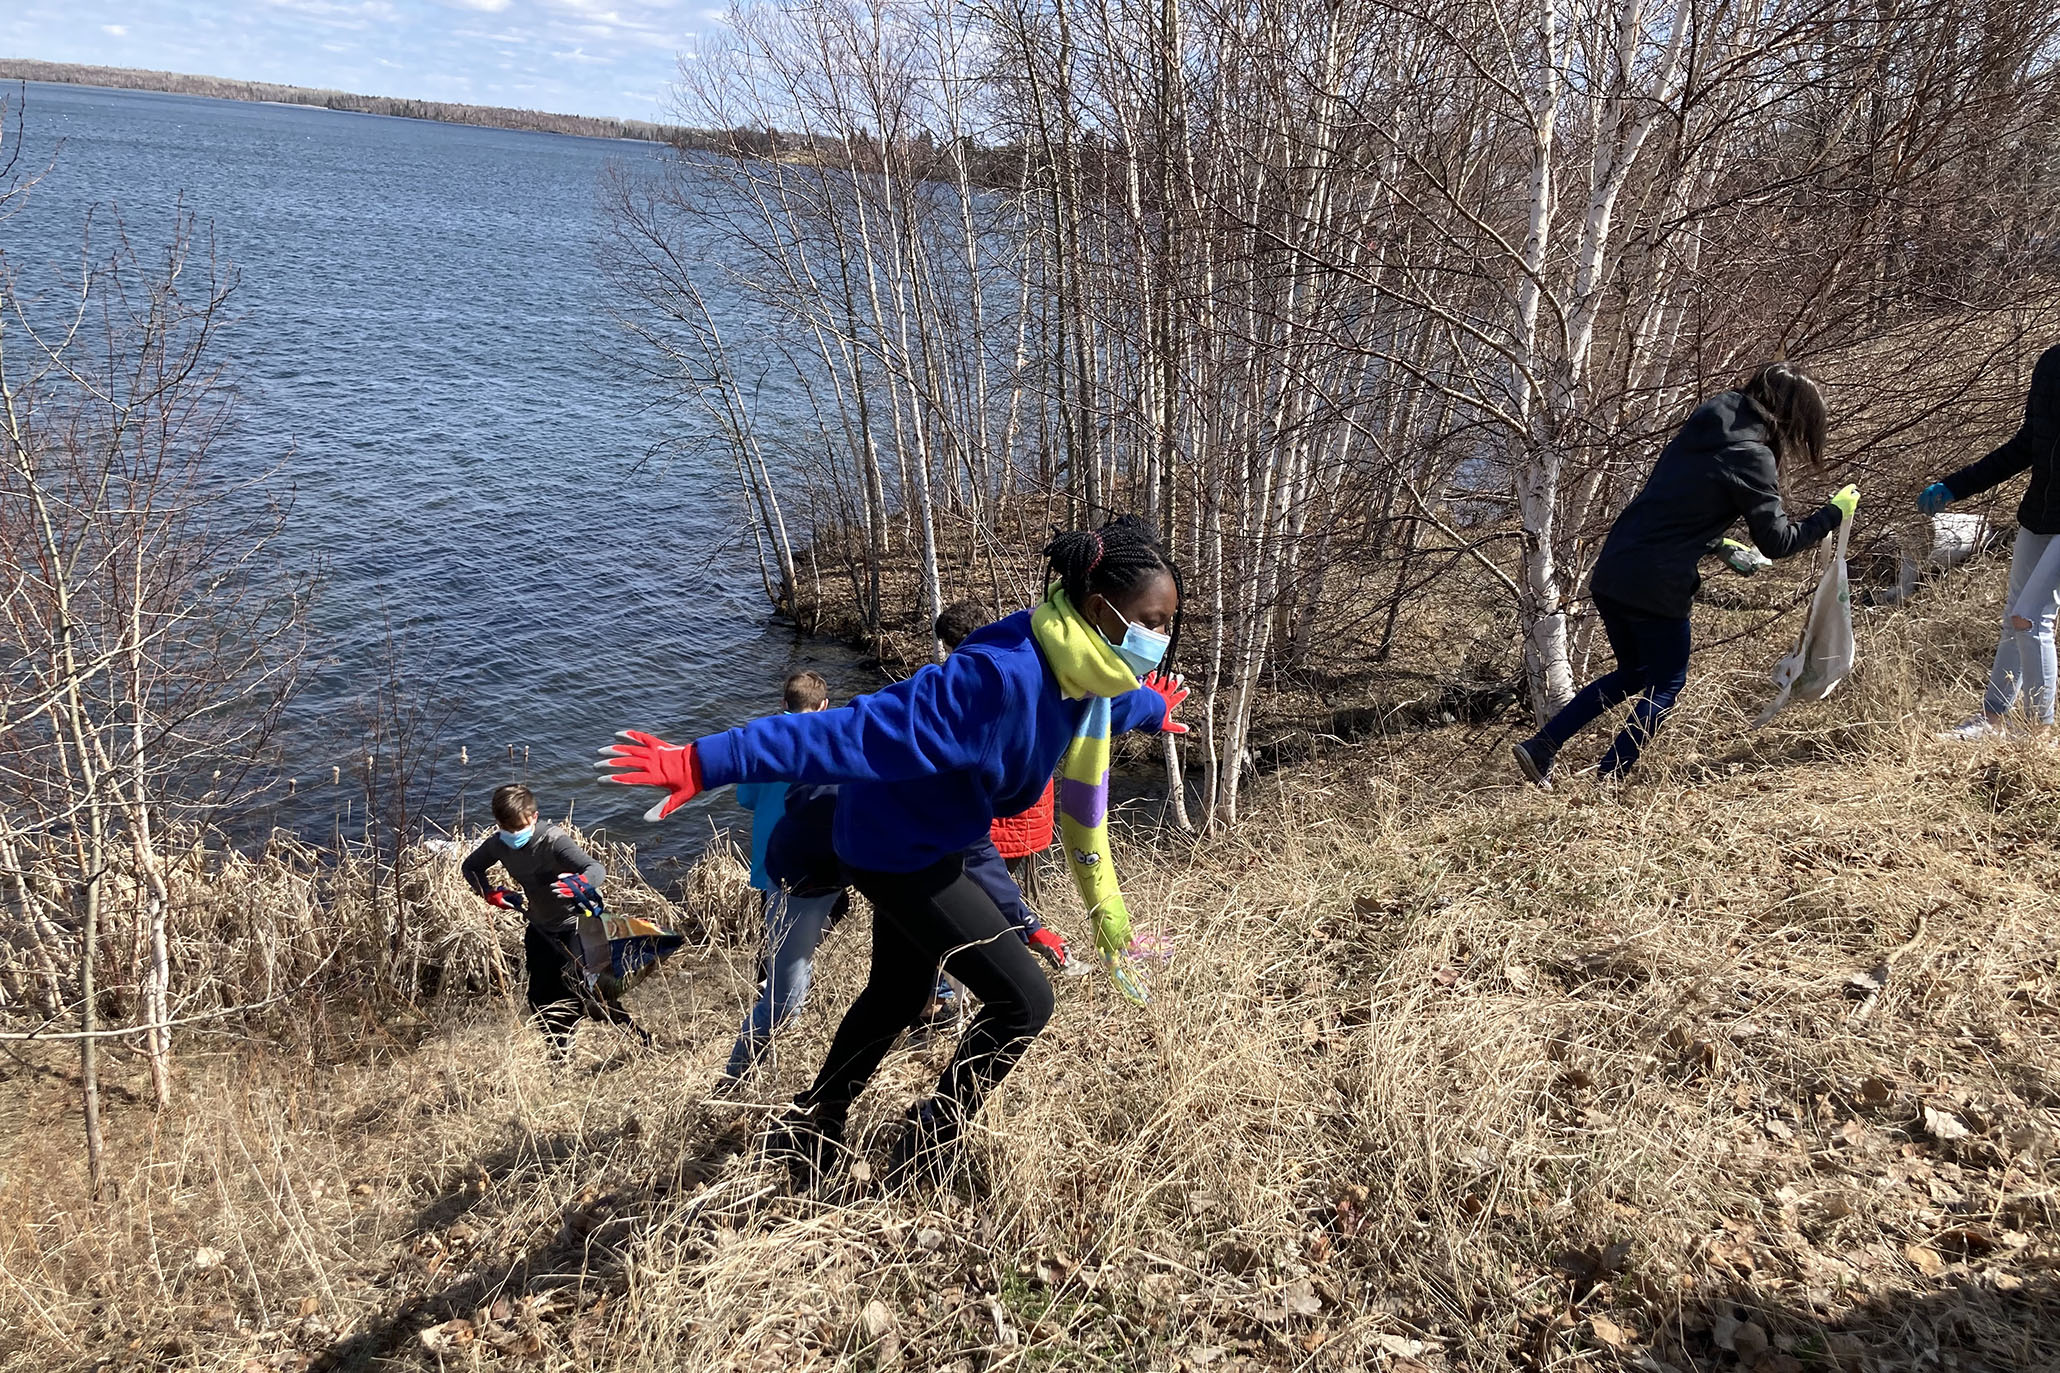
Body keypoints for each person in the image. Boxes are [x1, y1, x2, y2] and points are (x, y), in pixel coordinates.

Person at [599, 515, 1189, 1184]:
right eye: (1152, 621)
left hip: (931, 835)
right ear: (1097, 608)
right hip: (894, 848)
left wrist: (1150, 708)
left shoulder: (1081, 668)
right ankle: (932, 1134)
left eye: (1167, 624)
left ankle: (812, 1121)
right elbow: (850, 731)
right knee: (1025, 1002)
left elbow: (1098, 706)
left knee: (898, 992)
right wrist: (707, 761)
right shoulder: (995, 680)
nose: (1159, 640)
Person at [1511, 363, 1858, 788]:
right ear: (1791, 416)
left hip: (1616, 568)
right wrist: (1833, 513)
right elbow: (1778, 542)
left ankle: (1543, 746)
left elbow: (1677, 506)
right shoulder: (1753, 454)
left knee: (1635, 672)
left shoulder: (1705, 427)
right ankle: (1610, 779)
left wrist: (1717, 542)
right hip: (1657, 584)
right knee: (1667, 683)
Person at [1917, 342, 2060, 738]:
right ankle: (1992, 720)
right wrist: (1954, 487)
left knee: (2030, 618)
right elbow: (2025, 446)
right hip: (2041, 514)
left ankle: (2038, 734)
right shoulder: (2051, 363)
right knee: (2014, 616)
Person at [721, 671, 839, 1084]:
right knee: (810, 939)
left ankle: (772, 1005)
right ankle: (785, 1004)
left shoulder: (764, 740)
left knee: (773, 945)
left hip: (771, 861)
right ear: (824, 706)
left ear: (783, 702)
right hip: (822, 860)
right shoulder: (833, 742)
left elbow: (745, 798)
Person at [460, 783, 610, 1055]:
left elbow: (596, 868)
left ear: (534, 817)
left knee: (576, 991)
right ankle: (556, 1046)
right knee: (539, 997)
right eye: (508, 829)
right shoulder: (498, 844)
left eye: (519, 828)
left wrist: (580, 883)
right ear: (499, 824)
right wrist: (490, 893)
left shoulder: (553, 840)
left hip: (577, 925)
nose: (514, 835)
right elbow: (470, 867)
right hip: (540, 926)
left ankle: (572, 1039)